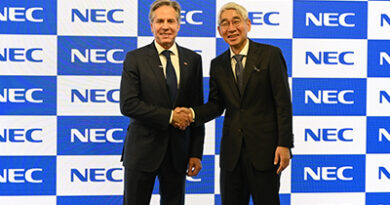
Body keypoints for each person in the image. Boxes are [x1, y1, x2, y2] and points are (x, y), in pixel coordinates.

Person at [176, 2, 293, 204]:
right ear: (219, 31)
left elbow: (283, 103)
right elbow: (215, 104)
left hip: (266, 153)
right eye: (225, 24)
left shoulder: (270, 55)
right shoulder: (217, 64)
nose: (231, 28)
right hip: (231, 155)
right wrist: (192, 114)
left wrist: (285, 144)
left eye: (236, 21)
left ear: (248, 24)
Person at [119, 0, 204, 204]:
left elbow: (197, 109)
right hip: (141, 153)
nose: (165, 26)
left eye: (170, 21)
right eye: (160, 21)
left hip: (178, 154)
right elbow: (128, 104)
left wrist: (195, 153)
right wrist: (170, 116)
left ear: (178, 25)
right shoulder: (135, 58)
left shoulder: (193, 60)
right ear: (151, 25)